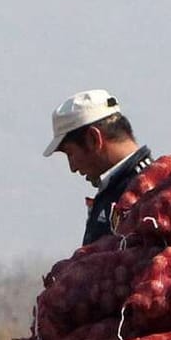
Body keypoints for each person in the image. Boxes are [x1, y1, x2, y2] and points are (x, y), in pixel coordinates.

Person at [44, 89, 152, 246]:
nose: (72, 168)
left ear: (93, 139)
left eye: (70, 153)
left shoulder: (144, 191)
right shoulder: (118, 189)